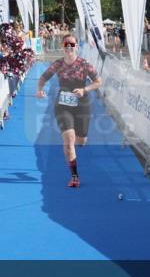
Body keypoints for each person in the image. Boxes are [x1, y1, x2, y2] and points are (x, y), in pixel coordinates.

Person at [35, 34, 101, 187]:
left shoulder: (84, 64)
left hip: (82, 105)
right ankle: (74, 176)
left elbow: (98, 81)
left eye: (72, 44)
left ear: (77, 46)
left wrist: (85, 89)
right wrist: (39, 90)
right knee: (69, 140)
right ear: (62, 46)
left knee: (81, 140)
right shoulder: (58, 64)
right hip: (63, 105)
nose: (69, 47)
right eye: (66, 44)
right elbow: (43, 78)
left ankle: (81, 139)